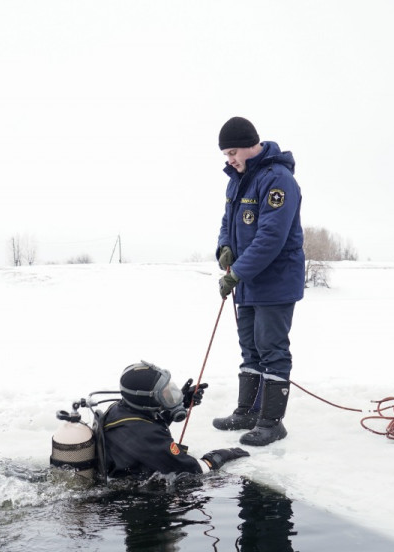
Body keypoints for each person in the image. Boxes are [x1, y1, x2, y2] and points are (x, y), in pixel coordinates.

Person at [212, 116, 305, 447]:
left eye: (233, 152)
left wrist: (238, 272)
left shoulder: (278, 180)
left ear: (251, 145)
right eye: (225, 155)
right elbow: (228, 222)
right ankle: (247, 412)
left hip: (275, 281)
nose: (230, 160)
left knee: (271, 348)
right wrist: (224, 248)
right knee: (250, 347)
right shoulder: (237, 181)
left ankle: (271, 422)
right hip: (249, 283)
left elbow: (270, 237)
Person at [101, 361, 249, 479]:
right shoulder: (145, 434)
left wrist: (182, 403)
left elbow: (146, 428)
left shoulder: (121, 410)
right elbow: (192, 469)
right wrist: (219, 456)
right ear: (147, 399)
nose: (170, 394)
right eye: (164, 393)